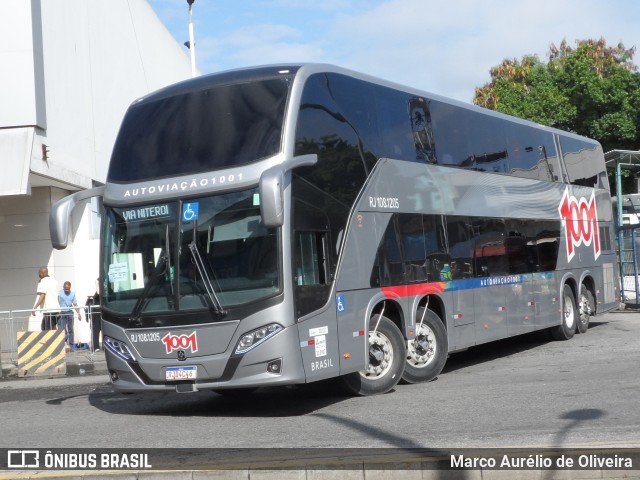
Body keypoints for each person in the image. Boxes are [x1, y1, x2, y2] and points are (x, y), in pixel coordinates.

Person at [58, 281, 82, 349]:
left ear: (70, 287)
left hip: (69, 313)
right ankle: (63, 343)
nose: (67, 290)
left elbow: (75, 304)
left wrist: (78, 313)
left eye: (68, 289)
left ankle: (71, 345)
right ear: (63, 287)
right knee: (62, 328)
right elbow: (57, 302)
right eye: (66, 289)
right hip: (62, 312)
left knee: (70, 329)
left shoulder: (72, 294)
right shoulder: (59, 293)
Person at [85, 278, 102, 352]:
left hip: (102, 314)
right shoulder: (97, 292)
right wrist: (97, 283)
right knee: (95, 330)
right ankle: (96, 347)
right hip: (95, 314)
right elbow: (98, 293)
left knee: (104, 330)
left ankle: (105, 346)